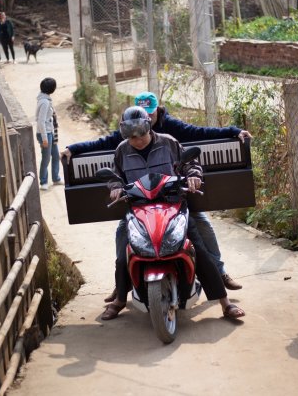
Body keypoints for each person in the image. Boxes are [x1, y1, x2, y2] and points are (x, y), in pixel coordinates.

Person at [61, 92, 250, 293]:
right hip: (142, 200)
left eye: (151, 115)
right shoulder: (129, 136)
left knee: (202, 224)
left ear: (156, 111)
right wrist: (72, 149)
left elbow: (200, 133)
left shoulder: (170, 132)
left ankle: (220, 273)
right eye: (144, 117)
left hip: (174, 194)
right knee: (122, 233)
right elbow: (100, 144)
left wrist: (234, 131)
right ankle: (122, 285)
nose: (146, 123)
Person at [101, 106, 245, 321]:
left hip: (173, 205)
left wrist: (194, 175)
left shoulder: (168, 142)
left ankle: (225, 302)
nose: (137, 141)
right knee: (124, 255)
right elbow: (115, 176)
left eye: (140, 136)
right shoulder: (122, 150)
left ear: (149, 128)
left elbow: (190, 164)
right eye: (131, 137)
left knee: (199, 250)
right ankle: (120, 299)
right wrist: (114, 186)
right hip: (139, 208)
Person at [36, 77, 62, 190]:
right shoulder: (45, 102)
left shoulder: (44, 98)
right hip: (45, 133)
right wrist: (45, 139)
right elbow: (41, 122)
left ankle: (56, 178)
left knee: (56, 156)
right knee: (46, 158)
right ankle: (43, 182)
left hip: (49, 132)